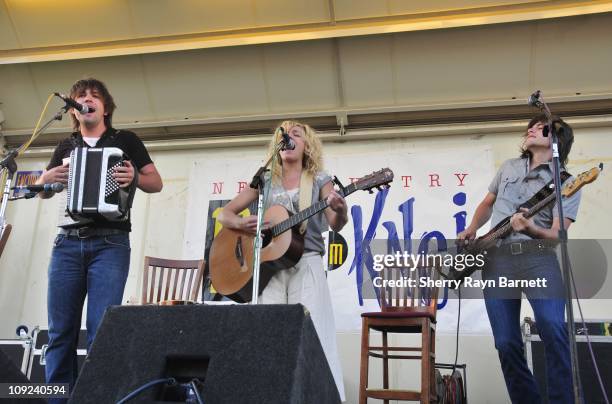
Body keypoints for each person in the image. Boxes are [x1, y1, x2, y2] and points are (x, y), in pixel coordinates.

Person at [36, 78, 162, 401]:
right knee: (60, 333)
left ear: (105, 107)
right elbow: (44, 193)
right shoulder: (66, 147)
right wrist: (46, 179)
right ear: (74, 111)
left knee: (100, 331)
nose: (87, 100)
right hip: (67, 244)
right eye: (81, 96)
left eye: (94, 96)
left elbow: (155, 182)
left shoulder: (126, 141)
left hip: (111, 243)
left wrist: (134, 176)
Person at [218, 120, 347, 401]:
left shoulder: (320, 179)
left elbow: (335, 223)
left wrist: (340, 210)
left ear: (306, 146)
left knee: (314, 336)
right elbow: (224, 214)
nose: (289, 138)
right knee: (268, 336)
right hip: (269, 269)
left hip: (307, 262)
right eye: (284, 135)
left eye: (296, 134)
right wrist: (243, 225)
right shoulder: (265, 180)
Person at [458, 114, 581, 404]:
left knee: (553, 327)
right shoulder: (509, 168)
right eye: (531, 126)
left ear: (556, 140)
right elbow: (487, 204)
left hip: (539, 259)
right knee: (506, 342)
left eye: (541, 127)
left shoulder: (568, 182)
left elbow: (557, 235)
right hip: (497, 260)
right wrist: (472, 228)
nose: (531, 129)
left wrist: (530, 228)